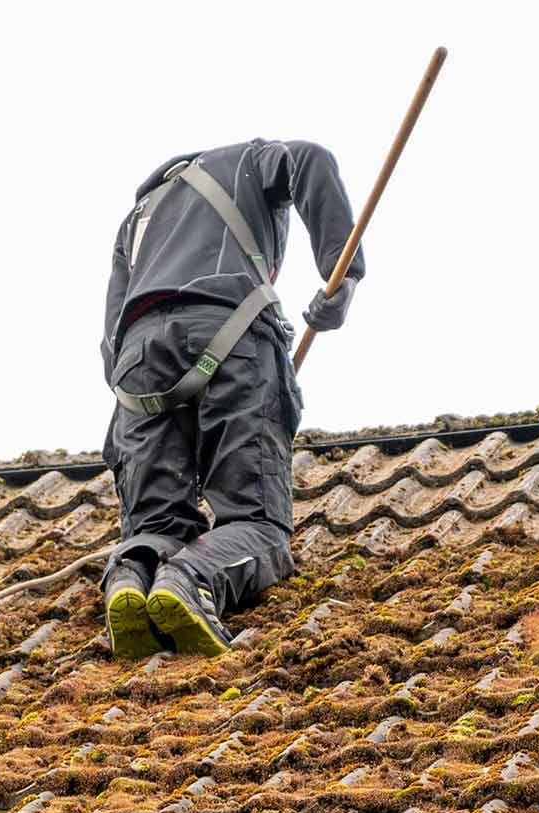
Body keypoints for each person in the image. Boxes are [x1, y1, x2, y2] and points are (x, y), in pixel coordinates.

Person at [99, 139, 364, 659]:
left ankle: (131, 576)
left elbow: (112, 344)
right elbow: (310, 160)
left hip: (137, 370)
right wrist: (343, 274)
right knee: (258, 521)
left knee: (155, 524)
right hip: (230, 333)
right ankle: (189, 579)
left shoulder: (137, 221)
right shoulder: (245, 161)